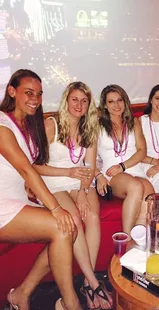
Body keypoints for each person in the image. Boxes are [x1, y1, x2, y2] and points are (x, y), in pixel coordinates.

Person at [0, 69, 81, 310]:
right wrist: (55, 208)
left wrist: (33, 192)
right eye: (28, 92)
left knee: (70, 229)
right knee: (64, 227)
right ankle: (71, 303)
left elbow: (24, 171)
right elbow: (27, 170)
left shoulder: (28, 124)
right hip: (2, 205)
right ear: (12, 92)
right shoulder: (2, 126)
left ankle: (22, 294)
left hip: (16, 200)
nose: (35, 98)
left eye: (39, 93)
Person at [34, 82, 112, 309]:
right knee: (75, 220)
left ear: (89, 105)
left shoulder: (90, 128)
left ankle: (88, 283)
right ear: (66, 100)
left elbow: (88, 167)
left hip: (79, 182)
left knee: (93, 218)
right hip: (52, 180)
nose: (79, 105)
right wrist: (68, 172)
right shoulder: (51, 125)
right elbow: (35, 166)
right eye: (75, 99)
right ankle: (94, 282)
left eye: (84, 101)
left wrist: (83, 192)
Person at [96, 84, 154, 232]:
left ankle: (138, 237)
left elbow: (142, 151)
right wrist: (98, 176)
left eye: (119, 100)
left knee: (150, 194)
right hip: (111, 173)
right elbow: (88, 156)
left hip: (132, 168)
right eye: (111, 101)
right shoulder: (97, 125)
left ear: (125, 101)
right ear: (105, 105)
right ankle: (126, 239)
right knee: (135, 186)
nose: (116, 105)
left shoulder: (133, 122)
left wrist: (122, 166)